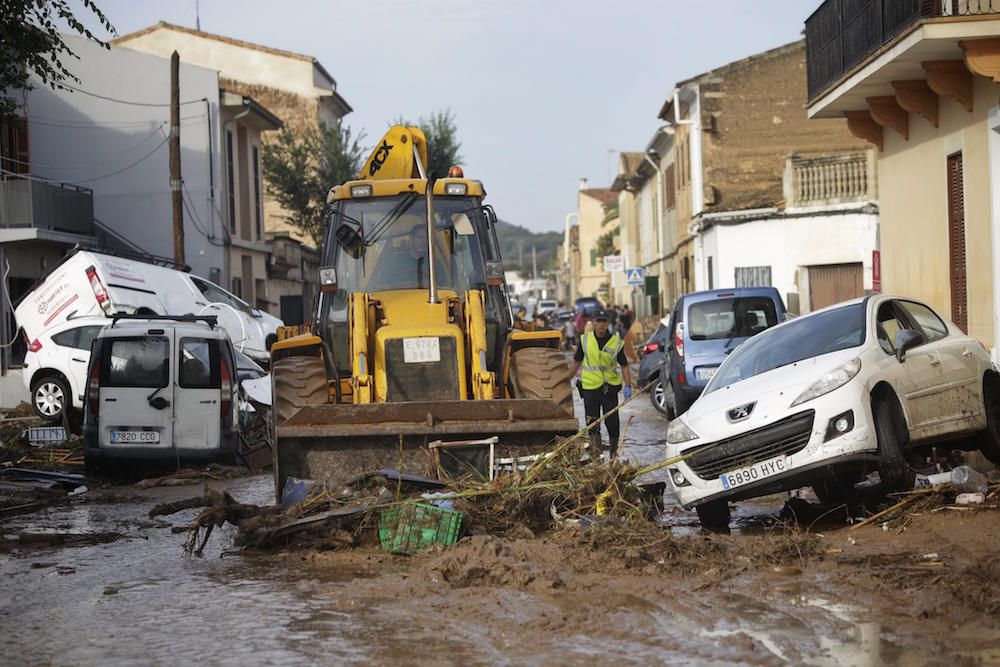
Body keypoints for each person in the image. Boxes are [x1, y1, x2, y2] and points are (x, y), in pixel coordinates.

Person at [570, 309, 634, 460]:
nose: (601, 325)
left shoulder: (615, 343)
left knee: (612, 424)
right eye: (598, 321)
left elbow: (624, 365)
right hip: (590, 389)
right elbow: (576, 363)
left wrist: (628, 385)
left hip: (609, 389)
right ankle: (596, 457)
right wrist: (565, 380)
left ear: (608, 323)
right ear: (593, 322)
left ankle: (613, 455)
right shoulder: (585, 340)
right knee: (592, 424)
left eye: (604, 321)